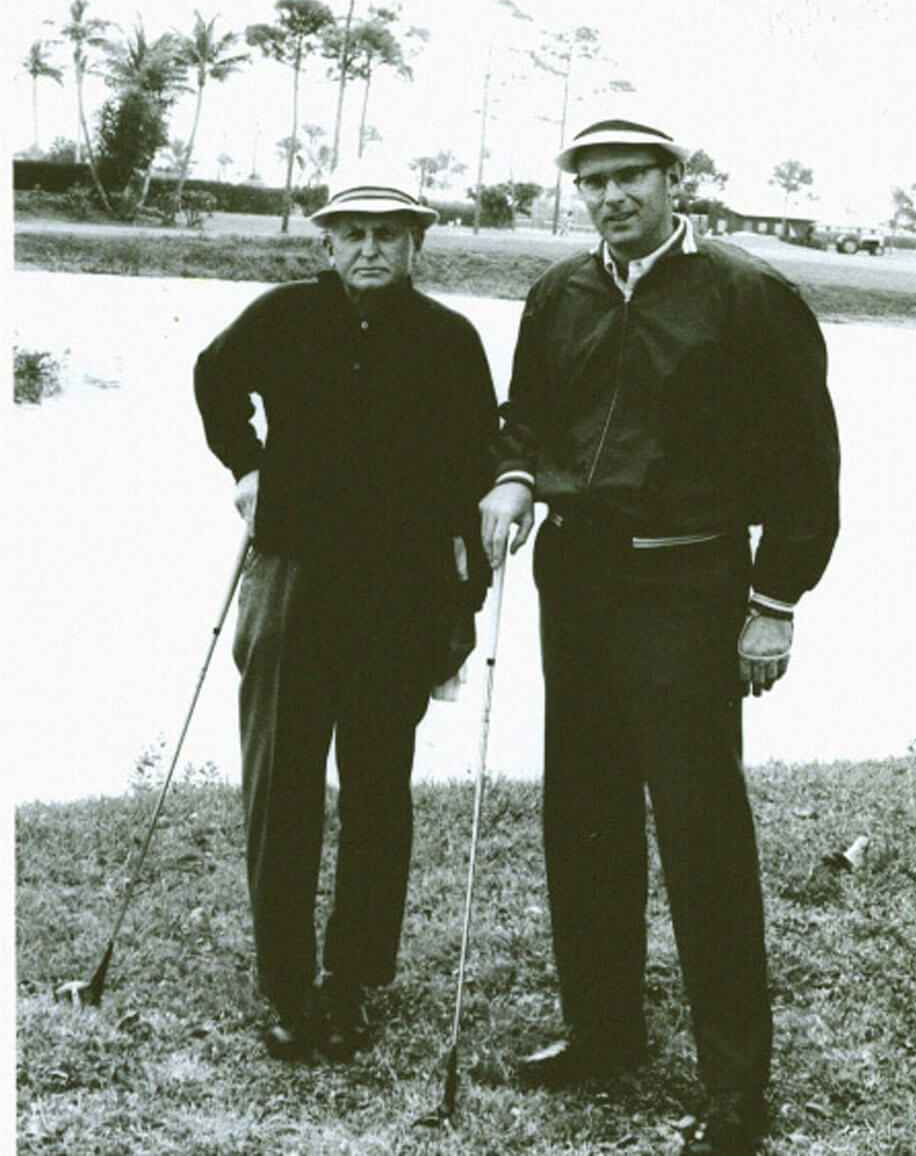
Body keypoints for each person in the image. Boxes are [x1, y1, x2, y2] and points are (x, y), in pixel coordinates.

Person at [479, 115, 840, 1155]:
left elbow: (809, 462)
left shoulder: (744, 293)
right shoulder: (561, 293)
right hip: (577, 576)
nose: (611, 196)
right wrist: (510, 476)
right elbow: (526, 417)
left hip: (689, 579)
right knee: (583, 810)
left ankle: (736, 1092)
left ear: (672, 180)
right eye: (592, 181)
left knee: (699, 829)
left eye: (630, 176)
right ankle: (604, 1032)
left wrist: (774, 602)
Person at [194, 164, 498, 1063]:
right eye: (353, 233)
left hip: (400, 593)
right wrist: (246, 466)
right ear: (326, 242)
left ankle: (351, 981)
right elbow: (214, 380)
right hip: (291, 578)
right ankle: (287, 986)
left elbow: (477, 469)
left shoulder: (450, 338)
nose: (370, 248)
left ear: (416, 244)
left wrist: (464, 600)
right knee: (281, 784)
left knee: (376, 792)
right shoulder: (283, 314)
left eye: (389, 234)